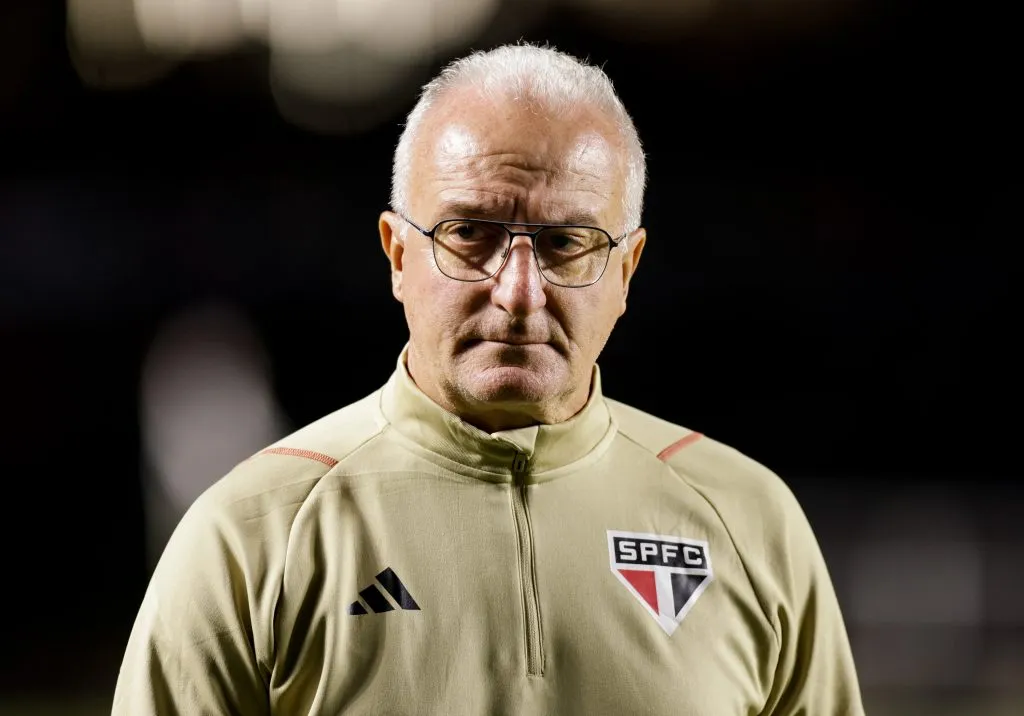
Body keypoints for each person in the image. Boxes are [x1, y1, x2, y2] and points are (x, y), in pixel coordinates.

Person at [112, 42, 864, 715]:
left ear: (626, 269)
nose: (519, 292)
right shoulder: (248, 539)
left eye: (567, 241)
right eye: (470, 233)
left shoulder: (748, 523)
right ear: (397, 254)